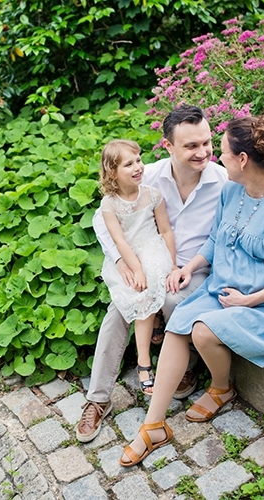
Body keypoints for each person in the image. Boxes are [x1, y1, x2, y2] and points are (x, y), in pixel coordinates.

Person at [119, 110, 264, 466]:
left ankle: (221, 387)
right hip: (222, 289)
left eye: (222, 151)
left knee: (202, 329)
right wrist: (189, 267)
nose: (215, 157)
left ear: (242, 160)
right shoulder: (232, 190)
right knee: (180, 321)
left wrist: (249, 300)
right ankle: (153, 426)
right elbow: (216, 239)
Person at [76, 105, 229, 443]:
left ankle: (185, 368)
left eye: (206, 142)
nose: (203, 152)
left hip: (195, 270)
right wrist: (122, 264)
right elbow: (104, 220)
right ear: (167, 146)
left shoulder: (223, 181)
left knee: (175, 300)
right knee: (118, 311)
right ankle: (98, 399)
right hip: (147, 264)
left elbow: (250, 212)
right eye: (191, 146)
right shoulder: (148, 176)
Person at [97, 140, 178, 395]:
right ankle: (148, 347)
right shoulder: (109, 205)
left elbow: (165, 230)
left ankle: (144, 362)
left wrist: (173, 265)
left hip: (153, 248)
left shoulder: (152, 194)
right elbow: (119, 240)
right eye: (129, 164)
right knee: (137, 290)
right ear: (112, 172)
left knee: (151, 282)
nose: (137, 167)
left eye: (139, 160)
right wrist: (136, 268)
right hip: (128, 255)